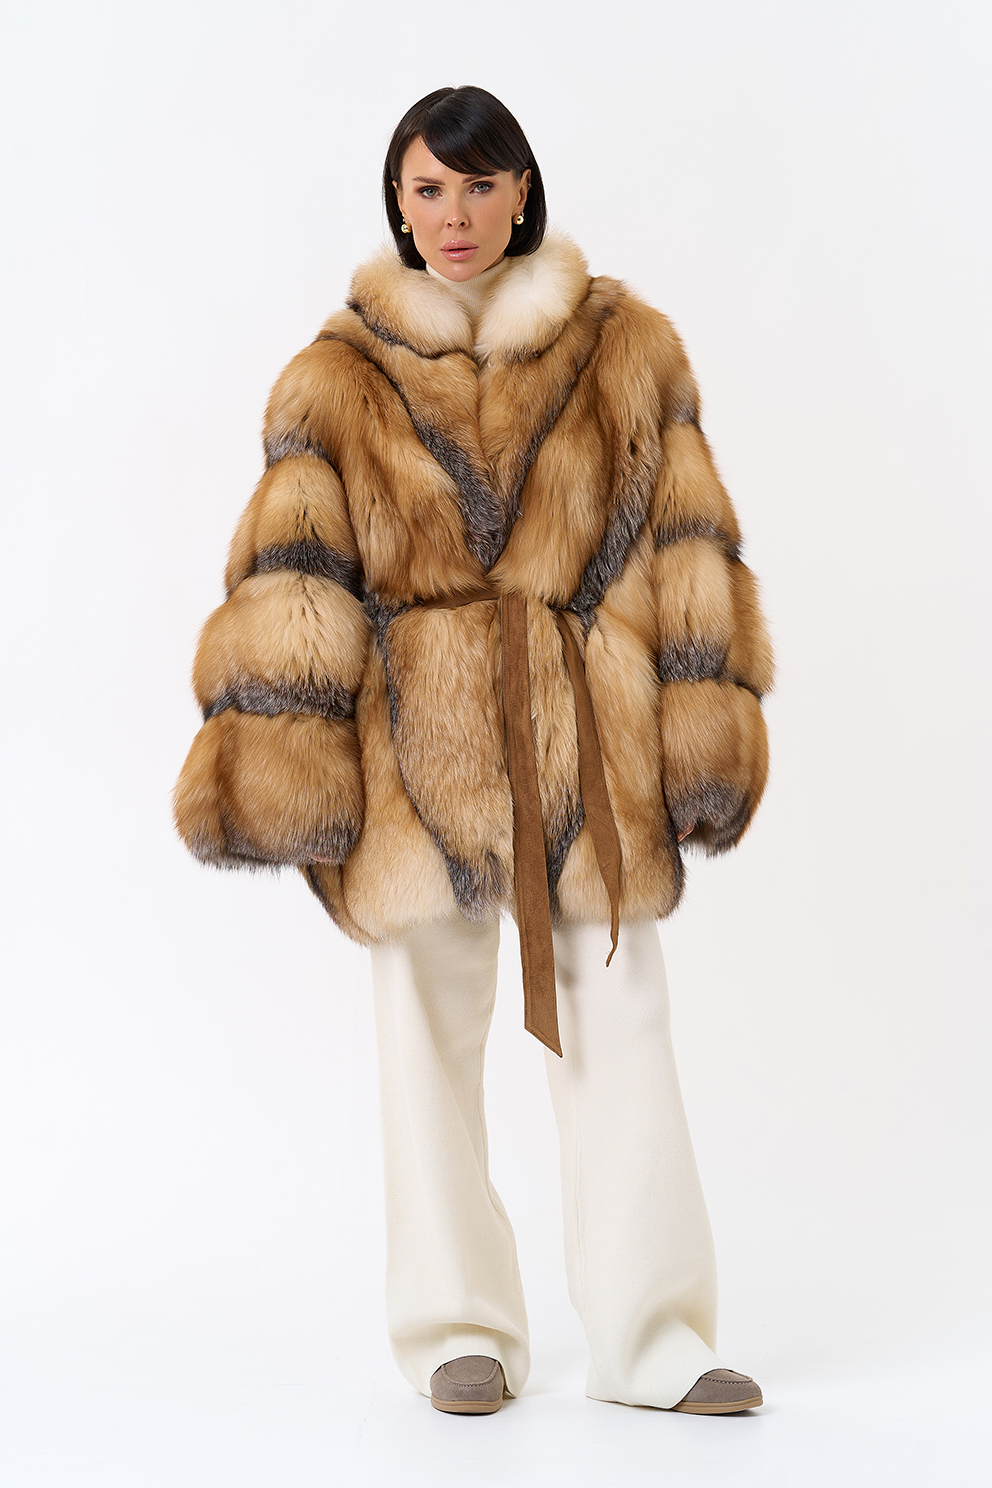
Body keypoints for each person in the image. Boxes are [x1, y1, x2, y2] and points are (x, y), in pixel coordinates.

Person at [174, 85, 773, 1418]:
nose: (454, 214)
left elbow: (688, 546)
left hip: (586, 743)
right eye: (428, 188)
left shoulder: (625, 347)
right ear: (398, 200)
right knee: (422, 1039)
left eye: (479, 184)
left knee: (622, 1025)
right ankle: (458, 1328)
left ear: (523, 191)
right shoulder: (336, 375)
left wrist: (701, 740)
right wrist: (290, 772)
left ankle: (655, 1340)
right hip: (416, 752)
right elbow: (296, 575)